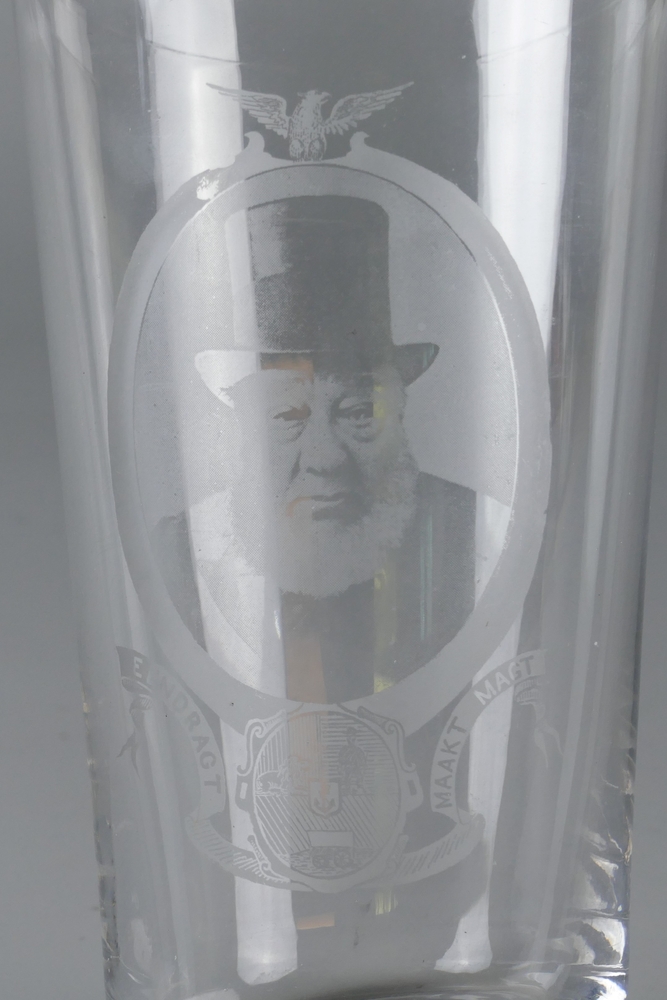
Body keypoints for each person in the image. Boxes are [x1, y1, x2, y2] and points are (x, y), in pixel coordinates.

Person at [153, 195, 476, 703]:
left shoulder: (475, 532)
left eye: (359, 413)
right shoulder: (176, 548)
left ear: (399, 411)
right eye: (287, 417)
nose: (324, 459)